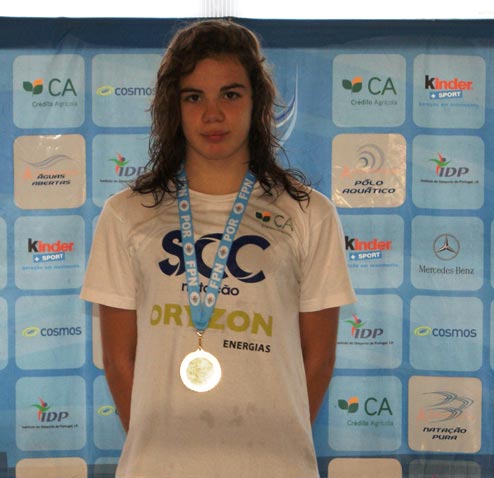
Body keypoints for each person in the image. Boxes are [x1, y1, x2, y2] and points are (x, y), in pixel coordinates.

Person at [81, 18, 355, 478]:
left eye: (230, 94)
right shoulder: (126, 214)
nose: (212, 114)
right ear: (174, 107)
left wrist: (275, 449)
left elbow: (319, 356)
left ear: (257, 102)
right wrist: (161, 452)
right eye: (194, 97)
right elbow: (118, 360)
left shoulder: (310, 213)